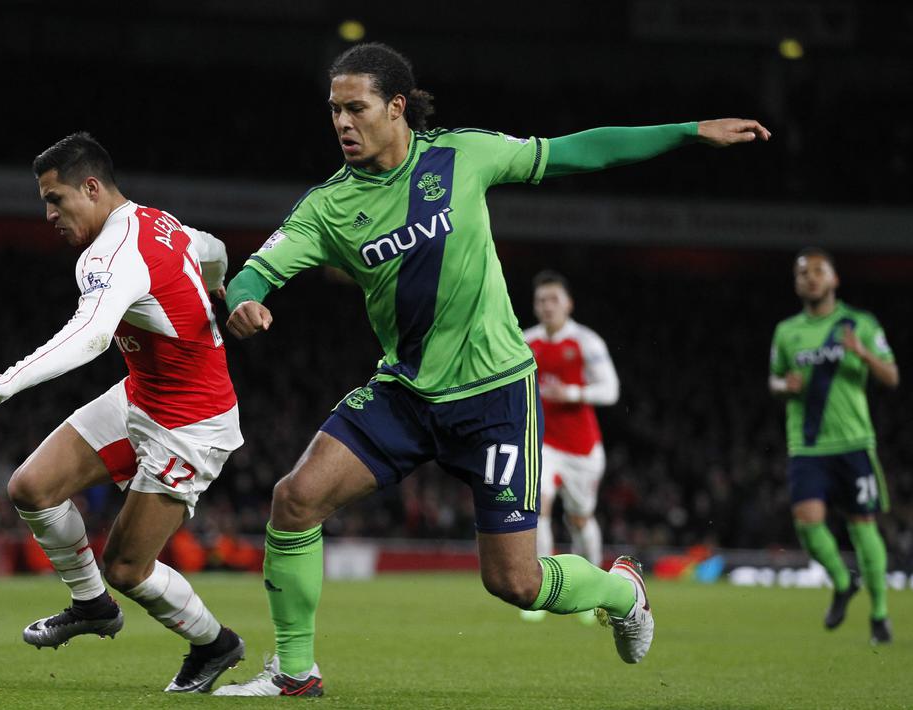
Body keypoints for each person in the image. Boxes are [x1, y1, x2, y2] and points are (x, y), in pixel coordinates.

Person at [213, 42, 769, 697]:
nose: (341, 122)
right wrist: (245, 297)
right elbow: (258, 266)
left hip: (494, 396)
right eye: (333, 110)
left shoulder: (461, 155)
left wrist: (684, 132)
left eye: (355, 108)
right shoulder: (327, 206)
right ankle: (293, 674)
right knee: (294, 498)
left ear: (395, 108)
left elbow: (573, 151)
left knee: (514, 582)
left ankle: (621, 591)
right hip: (407, 392)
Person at [0, 132, 246, 692]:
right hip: (143, 394)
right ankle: (92, 607)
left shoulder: (110, 253)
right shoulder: (161, 221)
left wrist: (3, 383)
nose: (49, 214)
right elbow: (212, 247)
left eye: (56, 199)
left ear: (91, 187)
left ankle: (215, 645)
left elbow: (89, 337)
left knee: (128, 568)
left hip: (191, 424)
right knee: (31, 488)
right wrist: (218, 283)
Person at [768, 247, 899, 644]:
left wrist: (862, 354)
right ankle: (844, 582)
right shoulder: (787, 332)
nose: (810, 277)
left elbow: (891, 376)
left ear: (834, 279)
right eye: (802, 273)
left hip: (853, 441)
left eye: (818, 271)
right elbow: (773, 380)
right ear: (796, 284)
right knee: (807, 524)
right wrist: (783, 386)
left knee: (863, 526)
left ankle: (879, 614)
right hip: (807, 445)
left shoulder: (859, 324)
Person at [520, 271, 619, 623]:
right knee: (538, 507)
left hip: (582, 449)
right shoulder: (525, 341)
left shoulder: (586, 342)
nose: (547, 307)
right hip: (543, 445)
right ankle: (540, 590)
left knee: (579, 519)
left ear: (568, 304)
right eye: (541, 301)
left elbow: (610, 390)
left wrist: (573, 393)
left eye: (553, 300)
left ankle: (593, 592)